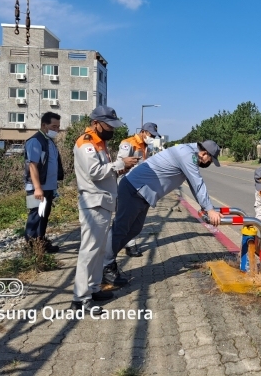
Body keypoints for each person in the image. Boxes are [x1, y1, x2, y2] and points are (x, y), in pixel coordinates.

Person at [102, 140, 223, 285]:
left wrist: (205, 206)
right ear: (204, 154)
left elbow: (193, 184)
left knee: (134, 229)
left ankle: (107, 260)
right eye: (210, 159)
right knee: (120, 229)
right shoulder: (187, 155)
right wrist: (209, 209)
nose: (208, 163)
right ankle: (104, 266)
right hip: (134, 189)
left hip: (142, 193)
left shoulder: (186, 153)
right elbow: (197, 183)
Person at [71, 106, 139, 310]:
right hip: (93, 203)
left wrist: (120, 169)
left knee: (99, 250)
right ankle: (81, 298)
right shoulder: (87, 143)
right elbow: (94, 172)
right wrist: (120, 163)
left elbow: (105, 173)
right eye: (109, 125)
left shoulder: (101, 144)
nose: (112, 130)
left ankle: (93, 288)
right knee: (89, 251)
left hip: (102, 202)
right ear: (95, 123)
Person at [115, 122, 161, 257]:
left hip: (138, 186)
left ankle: (129, 243)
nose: (152, 137)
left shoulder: (145, 146)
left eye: (153, 136)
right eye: (150, 135)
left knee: (133, 217)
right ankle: (124, 244)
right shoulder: (128, 143)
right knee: (125, 216)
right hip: (126, 184)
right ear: (143, 131)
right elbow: (121, 164)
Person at [24, 111, 64, 253]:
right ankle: (30, 248)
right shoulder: (35, 141)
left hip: (48, 187)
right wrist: (37, 188)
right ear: (43, 125)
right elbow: (32, 165)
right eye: (53, 126)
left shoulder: (49, 142)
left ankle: (40, 243)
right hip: (37, 188)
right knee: (35, 216)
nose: (56, 130)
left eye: (58, 127)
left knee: (43, 216)